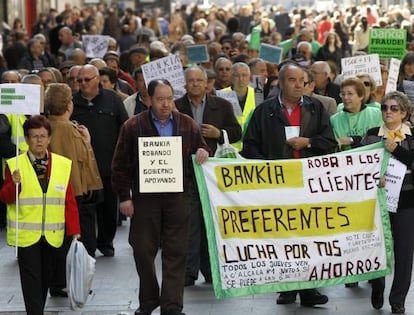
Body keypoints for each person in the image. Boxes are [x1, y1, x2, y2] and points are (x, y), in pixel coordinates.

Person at [111, 79, 210, 315]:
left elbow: (202, 148)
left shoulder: (187, 124)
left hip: (178, 197)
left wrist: (204, 151)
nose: (165, 104)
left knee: (176, 251)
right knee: (142, 249)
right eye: (160, 99)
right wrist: (124, 197)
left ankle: (172, 305)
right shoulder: (133, 126)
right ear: (149, 99)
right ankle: (149, 299)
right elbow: (119, 165)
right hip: (146, 198)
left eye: (169, 98)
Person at [242, 63, 337, 307]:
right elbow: (250, 146)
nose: (298, 85)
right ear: (281, 83)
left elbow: (329, 142)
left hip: (308, 183)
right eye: (293, 80)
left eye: (302, 81)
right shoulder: (264, 111)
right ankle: (286, 287)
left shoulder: (316, 108)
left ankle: (308, 288)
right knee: (282, 236)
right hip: (278, 186)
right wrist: (267, 169)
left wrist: (308, 142)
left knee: (307, 235)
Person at [0, 115, 80, 315]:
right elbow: (5, 197)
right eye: (34, 136)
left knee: (46, 277)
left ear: (49, 138)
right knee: (31, 278)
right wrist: (14, 184)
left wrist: (75, 230)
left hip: (54, 232)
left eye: (43, 136)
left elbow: (68, 199)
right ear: (27, 139)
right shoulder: (14, 164)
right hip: (27, 235)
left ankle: (37, 309)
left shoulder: (62, 164)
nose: (39, 141)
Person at [175, 66, 241, 286]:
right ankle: (189, 272)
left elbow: (237, 132)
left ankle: (212, 270)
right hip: (186, 172)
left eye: (198, 80)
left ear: (206, 83)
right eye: (190, 80)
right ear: (185, 84)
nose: (194, 84)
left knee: (212, 223)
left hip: (213, 175)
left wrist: (219, 134)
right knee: (190, 224)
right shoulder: (176, 108)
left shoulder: (222, 105)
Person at [361, 91, 414, 314]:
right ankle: (378, 285)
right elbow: (360, 164)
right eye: (384, 108)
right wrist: (374, 176)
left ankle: (398, 299)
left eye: (393, 108)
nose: (388, 112)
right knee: (378, 248)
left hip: (406, 202)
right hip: (377, 201)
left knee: (404, 252)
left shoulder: (411, 137)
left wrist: (397, 150)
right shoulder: (372, 135)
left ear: (403, 112)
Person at [71, 64, 129, 257]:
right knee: (86, 208)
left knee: (108, 207)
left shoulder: (112, 99)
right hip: (82, 167)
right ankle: (87, 244)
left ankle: (106, 242)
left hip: (107, 164)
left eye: (87, 79)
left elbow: (124, 126)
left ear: (97, 79)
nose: (83, 84)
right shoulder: (72, 102)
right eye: (79, 80)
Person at [330, 77, 383, 151]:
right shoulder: (334, 119)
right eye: (343, 94)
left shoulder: (377, 114)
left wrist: (352, 140)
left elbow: (380, 140)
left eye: (350, 94)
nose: (345, 97)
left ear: (361, 96)